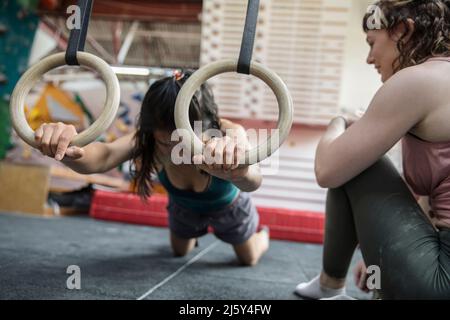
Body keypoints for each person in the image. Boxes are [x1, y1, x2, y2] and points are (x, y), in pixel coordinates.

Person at [295, 0, 450, 299]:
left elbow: (327, 170)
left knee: (351, 153)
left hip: (439, 285)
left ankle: (329, 286)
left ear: (403, 30)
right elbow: (432, 201)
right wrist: (390, 251)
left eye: (371, 43)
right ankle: (330, 286)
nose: (369, 58)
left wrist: (339, 121)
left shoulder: (418, 81)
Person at [34, 71, 269, 266]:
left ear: (202, 123)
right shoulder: (151, 142)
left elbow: (254, 180)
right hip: (183, 207)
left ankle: (263, 236)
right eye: (162, 127)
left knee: (248, 259)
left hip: (229, 207)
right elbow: (104, 156)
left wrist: (241, 171)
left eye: (180, 127)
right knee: (179, 252)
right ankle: (193, 234)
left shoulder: (224, 137)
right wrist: (69, 148)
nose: (170, 137)